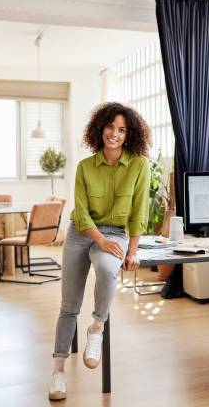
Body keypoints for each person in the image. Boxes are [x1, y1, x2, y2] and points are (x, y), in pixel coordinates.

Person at [49, 102, 151, 400]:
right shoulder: (84, 167)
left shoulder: (139, 165)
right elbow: (80, 214)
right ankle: (58, 373)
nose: (115, 134)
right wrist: (100, 241)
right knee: (69, 306)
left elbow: (139, 212)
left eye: (121, 129)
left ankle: (97, 327)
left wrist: (131, 251)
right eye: (110, 127)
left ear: (129, 134)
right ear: (100, 128)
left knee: (108, 270)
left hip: (115, 234)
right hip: (81, 234)